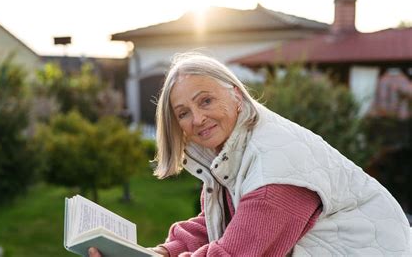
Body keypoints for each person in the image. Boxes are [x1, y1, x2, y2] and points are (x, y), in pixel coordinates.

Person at [89, 52, 411, 256]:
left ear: (237, 96)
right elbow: (219, 222)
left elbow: (237, 251)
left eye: (205, 101)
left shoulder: (274, 166)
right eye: (183, 112)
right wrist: (162, 252)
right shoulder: (233, 151)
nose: (197, 119)